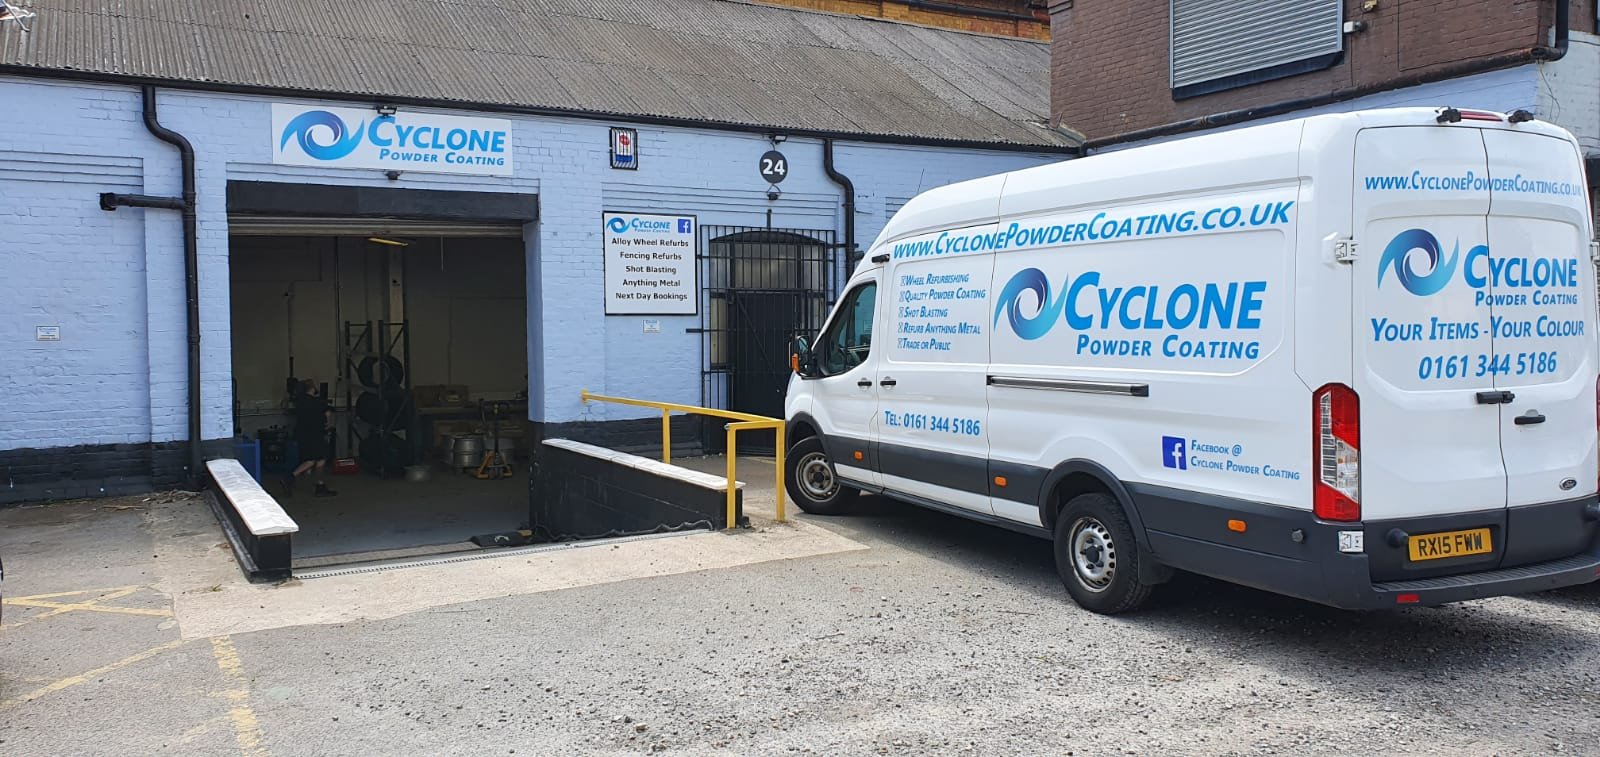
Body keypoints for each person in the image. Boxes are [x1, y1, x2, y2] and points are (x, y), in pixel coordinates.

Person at [285, 379, 337, 497]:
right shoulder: (317, 402)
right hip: (315, 434)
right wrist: (328, 423)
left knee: (313, 459)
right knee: (318, 459)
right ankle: (292, 478)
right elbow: (328, 412)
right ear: (312, 388)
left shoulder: (299, 401)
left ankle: (318, 484)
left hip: (302, 434)